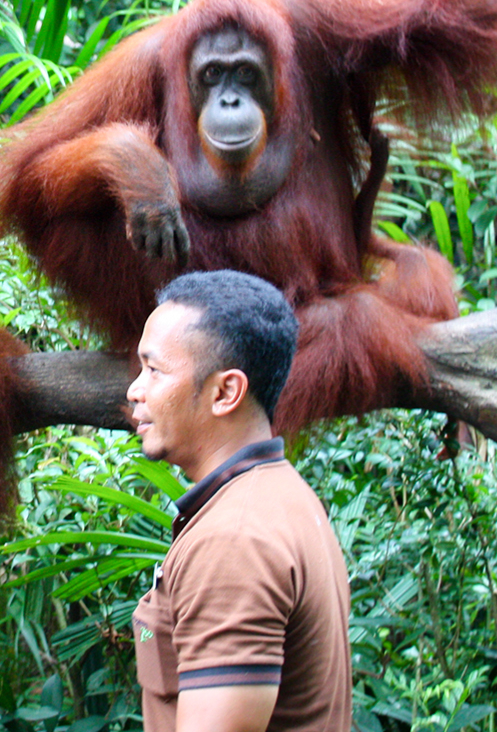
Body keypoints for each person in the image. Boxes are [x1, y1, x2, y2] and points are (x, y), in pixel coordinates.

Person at [128, 270, 351, 732]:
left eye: (154, 370)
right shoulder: (280, 492)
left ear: (226, 392)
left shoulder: (235, 538)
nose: (135, 389)